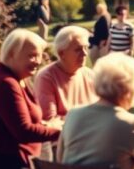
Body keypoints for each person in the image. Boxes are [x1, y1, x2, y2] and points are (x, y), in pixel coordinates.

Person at [0, 29, 61, 169]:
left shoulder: (17, 77)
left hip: (10, 163)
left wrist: (46, 125)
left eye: (39, 55)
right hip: (2, 168)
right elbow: (23, 131)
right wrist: (61, 132)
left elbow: (18, 121)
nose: (38, 61)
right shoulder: (5, 83)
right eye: (31, 56)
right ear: (11, 54)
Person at [34, 26, 97, 161]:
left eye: (86, 48)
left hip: (95, 139)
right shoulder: (47, 77)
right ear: (62, 53)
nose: (85, 53)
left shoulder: (90, 75)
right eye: (78, 49)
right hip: (66, 146)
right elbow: (51, 121)